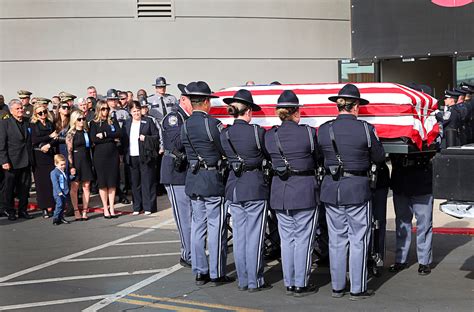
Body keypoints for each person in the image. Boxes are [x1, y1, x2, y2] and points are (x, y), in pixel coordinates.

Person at [318, 84, 385, 300]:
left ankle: (338, 287)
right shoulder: (365, 129)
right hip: (357, 188)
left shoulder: (324, 129)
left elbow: (320, 156)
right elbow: (379, 157)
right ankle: (358, 287)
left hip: (331, 189)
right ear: (355, 106)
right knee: (358, 239)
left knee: (336, 239)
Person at [264, 90, 319, 297]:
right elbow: (316, 156)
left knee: (287, 240)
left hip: (280, 192)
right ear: (296, 113)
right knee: (303, 239)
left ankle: (289, 282)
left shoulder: (270, 135)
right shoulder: (307, 133)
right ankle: (300, 283)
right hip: (304, 191)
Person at [180, 81, 234, 286]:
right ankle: (216, 272)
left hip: (194, 180)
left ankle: (200, 271)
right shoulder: (212, 124)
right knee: (216, 227)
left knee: (197, 227)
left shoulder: (185, 125)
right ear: (204, 101)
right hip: (212, 180)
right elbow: (224, 148)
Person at [220, 89, 272, 292]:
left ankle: (243, 280)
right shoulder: (257, 133)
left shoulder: (225, 134)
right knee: (255, 237)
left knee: (240, 237)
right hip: (254, 187)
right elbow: (267, 154)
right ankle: (254, 280)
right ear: (248, 111)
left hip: (234, 188)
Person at [160, 83, 194, 268]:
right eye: (192, 101)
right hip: (175, 171)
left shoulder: (187, 117)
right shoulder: (174, 117)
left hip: (187, 171)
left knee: (191, 215)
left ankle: (192, 250)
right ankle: (187, 254)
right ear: (183, 100)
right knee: (184, 217)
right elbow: (175, 143)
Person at [388, 150, 436, 276]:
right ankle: (401, 259)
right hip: (400, 177)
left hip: (422, 177)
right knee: (402, 222)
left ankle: (424, 261)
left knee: (424, 223)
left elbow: (435, 144)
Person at [122, 101, 159, 215]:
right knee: (135, 183)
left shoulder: (148, 121)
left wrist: (146, 138)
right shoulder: (127, 123)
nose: (137, 113)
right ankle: (137, 207)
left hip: (145, 156)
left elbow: (156, 136)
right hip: (132, 156)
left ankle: (149, 207)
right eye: (134, 111)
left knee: (147, 181)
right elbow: (124, 140)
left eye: (138, 110)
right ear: (130, 112)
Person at [0, 99, 34, 221]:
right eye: (17, 109)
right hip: (11, 162)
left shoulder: (27, 121)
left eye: (21, 108)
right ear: (11, 111)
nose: (21, 110)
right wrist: (4, 161)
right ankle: (9, 210)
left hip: (26, 160)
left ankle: (22, 210)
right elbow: (1, 144)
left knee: (25, 187)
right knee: (9, 188)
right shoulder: (5, 123)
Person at [89, 100, 122, 218]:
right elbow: (94, 139)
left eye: (107, 109)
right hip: (100, 156)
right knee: (103, 183)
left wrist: (105, 135)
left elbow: (119, 133)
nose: (106, 111)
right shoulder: (93, 123)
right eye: (103, 109)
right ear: (98, 110)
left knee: (112, 182)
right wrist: (111, 138)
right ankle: (105, 208)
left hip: (112, 155)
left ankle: (112, 208)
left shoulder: (112, 120)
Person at [31, 102, 58, 218]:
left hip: (49, 155)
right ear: (36, 114)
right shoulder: (33, 124)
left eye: (45, 112)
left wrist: (49, 145)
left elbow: (55, 137)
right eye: (40, 113)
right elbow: (34, 139)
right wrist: (48, 138)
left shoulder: (50, 123)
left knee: (50, 182)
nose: (43, 114)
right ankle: (44, 208)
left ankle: (51, 206)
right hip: (38, 156)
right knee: (41, 184)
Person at [66, 110, 94, 221]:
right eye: (79, 119)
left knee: (86, 186)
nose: (82, 121)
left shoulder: (86, 132)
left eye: (83, 119)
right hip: (76, 161)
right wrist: (71, 166)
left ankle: (85, 210)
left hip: (86, 160)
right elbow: (69, 152)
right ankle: (76, 209)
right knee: (75, 187)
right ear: (74, 120)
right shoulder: (71, 134)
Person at [50, 154, 71, 225]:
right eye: (61, 165)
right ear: (56, 164)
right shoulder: (54, 172)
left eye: (64, 164)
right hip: (58, 193)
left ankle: (61, 217)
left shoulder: (64, 171)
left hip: (65, 191)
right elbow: (55, 184)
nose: (63, 166)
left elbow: (66, 179)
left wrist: (72, 176)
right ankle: (55, 219)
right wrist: (59, 192)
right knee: (59, 205)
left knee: (63, 206)